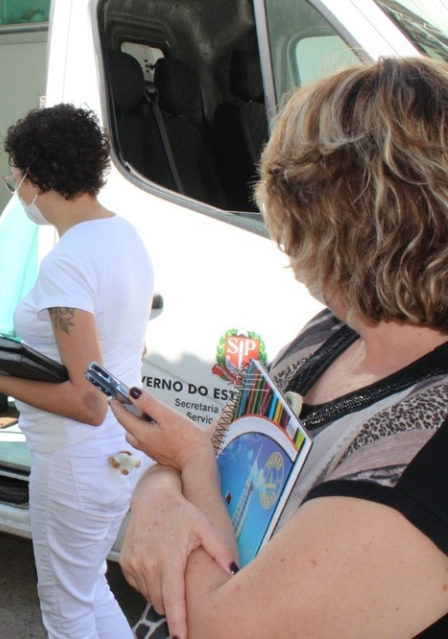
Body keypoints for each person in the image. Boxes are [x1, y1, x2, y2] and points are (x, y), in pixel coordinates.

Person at [114, 56, 448, 639]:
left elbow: (224, 626)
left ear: (334, 221)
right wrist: (165, 488)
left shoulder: (432, 432)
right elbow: (202, 451)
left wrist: (167, 498)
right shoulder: (332, 331)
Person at [0, 103, 154, 638]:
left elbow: (86, 401)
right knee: (88, 591)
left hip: (75, 461)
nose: (16, 189)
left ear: (35, 177)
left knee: (66, 610)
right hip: (116, 451)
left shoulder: (67, 263)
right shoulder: (122, 234)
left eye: (14, 177)